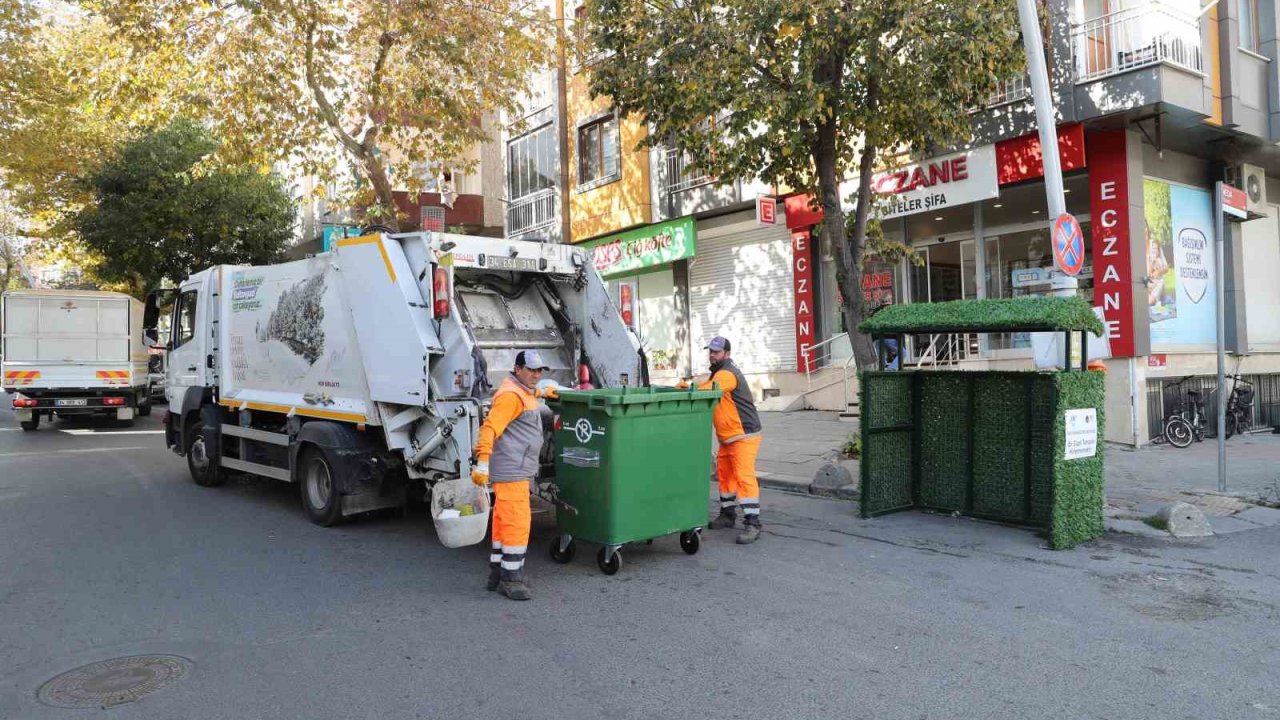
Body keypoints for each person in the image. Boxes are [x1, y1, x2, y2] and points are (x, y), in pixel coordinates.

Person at [471, 350, 557, 601]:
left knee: (502, 521)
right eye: (531, 370)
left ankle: (497, 573)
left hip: (516, 468)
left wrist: (543, 392)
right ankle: (512, 580)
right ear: (517, 369)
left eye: (539, 370)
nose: (536, 375)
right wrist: (482, 463)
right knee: (517, 524)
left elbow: (528, 397)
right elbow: (489, 429)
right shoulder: (510, 395)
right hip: (512, 471)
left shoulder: (521, 391)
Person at [679, 336, 763, 544]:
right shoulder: (718, 371)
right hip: (728, 437)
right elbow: (706, 382)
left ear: (727, 353)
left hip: (744, 435)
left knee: (744, 477)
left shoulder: (728, 373)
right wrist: (690, 384)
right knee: (725, 476)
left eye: (716, 351)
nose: (712, 354)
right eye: (711, 351)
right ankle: (727, 514)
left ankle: (753, 523)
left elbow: (709, 389)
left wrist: (687, 389)